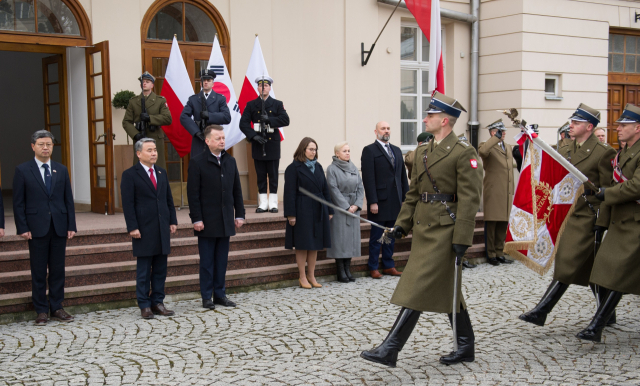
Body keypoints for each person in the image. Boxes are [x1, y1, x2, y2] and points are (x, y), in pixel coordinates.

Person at [361, 92, 481, 367]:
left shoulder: (464, 153)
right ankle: (466, 346)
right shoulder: (424, 152)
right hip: (424, 229)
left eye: (430, 115)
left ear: (445, 120)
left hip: (445, 230)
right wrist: (402, 224)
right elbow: (413, 193)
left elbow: (470, 199)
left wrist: (463, 238)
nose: (425, 119)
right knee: (449, 288)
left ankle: (390, 348)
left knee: (418, 285)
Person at [519, 103, 616, 329]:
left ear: (589, 127)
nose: (570, 126)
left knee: (567, 261)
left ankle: (542, 310)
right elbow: (546, 160)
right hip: (566, 215)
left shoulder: (603, 153)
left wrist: (602, 222)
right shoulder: (565, 147)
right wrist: (530, 138)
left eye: (576, 123)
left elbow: (608, 190)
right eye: (571, 122)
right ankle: (608, 313)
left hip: (587, 216)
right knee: (592, 269)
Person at [577, 103, 640, 343]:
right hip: (620, 221)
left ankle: (597, 325)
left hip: (635, 222)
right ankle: (602, 320)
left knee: (618, 273)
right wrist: (602, 219)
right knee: (606, 271)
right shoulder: (624, 152)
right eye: (619, 124)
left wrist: (607, 194)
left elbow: (636, 186)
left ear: (638, 128)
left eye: (624, 125)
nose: (619, 128)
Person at [13, 130, 77, 326]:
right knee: (39, 271)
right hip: (36, 228)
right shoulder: (23, 170)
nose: (45, 147)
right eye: (41, 144)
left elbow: (68, 200)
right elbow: (18, 202)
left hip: (58, 226)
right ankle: (41, 310)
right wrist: (22, 227)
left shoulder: (61, 169)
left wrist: (71, 225)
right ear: (33, 146)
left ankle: (57, 306)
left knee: (58, 270)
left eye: (48, 144)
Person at [187, 125, 245, 310]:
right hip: (207, 221)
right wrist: (196, 219)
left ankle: (220, 294)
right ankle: (206, 297)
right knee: (207, 262)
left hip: (225, 219)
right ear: (207, 141)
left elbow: (237, 189)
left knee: (221, 260)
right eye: (218, 138)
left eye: (223, 138)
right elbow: (193, 194)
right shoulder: (197, 162)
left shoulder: (230, 161)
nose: (222, 141)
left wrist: (240, 214)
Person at [121, 138, 178, 319]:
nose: (154, 153)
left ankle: (158, 302)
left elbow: (168, 198)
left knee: (160, 268)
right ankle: (144, 304)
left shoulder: (161, 172)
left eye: (155, 150)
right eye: (149, 150)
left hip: (161, 227)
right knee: (144, 270)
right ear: (139, 154)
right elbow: (128, 204)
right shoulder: (130, 174)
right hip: (143, 229)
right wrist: (132, 227)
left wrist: (172, 220)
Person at [284, 137, 334, 289]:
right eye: (311, 149)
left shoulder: (318, 167)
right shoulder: (293, 168)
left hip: (318, 209)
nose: (314, 152)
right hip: (302, 209)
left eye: (315, 149)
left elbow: (325, 189)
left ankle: (312, 275)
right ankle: (302, 276)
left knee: (315, 244)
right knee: (303, 244)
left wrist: (329, 209)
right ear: (303, 150)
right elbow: (289, 193)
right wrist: (291, 214)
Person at [361, 121, 409, 278]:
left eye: (388, 128)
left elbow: (402, 176)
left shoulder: (396, 150)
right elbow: (368, 178)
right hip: (379, 201)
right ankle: (373, 266)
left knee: (391, 234)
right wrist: (372, 201)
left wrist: (405, 198)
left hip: (395, 200)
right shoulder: (369, 150)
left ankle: (389, 265)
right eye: (383, 128)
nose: (386, 131)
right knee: (376, 236)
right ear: (376, 131)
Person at [239, 76, 290, 213]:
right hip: (258, 144)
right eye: (261, 86)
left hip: (272, 144)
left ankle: (273, 203)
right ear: (257, 88)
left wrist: (270, 119)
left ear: (270, 87)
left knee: (273, 175)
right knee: (260, 175)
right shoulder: (251, 105)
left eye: (266, 86)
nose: (263, 88)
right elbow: (243, 124)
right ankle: (262, 203)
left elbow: (286, 120)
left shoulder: (277, 104)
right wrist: (253, 136)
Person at [326, 141, 365, 283]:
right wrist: (346, 206)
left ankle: (348, 269)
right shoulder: (332, 169)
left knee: (351, 239)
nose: (348, 153)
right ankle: (340, 270)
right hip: (340, 208)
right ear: (337, 153)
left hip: (353, 208)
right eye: (344, 151)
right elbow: (333, 189)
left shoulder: (353, 167)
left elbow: (360, 187)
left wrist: (356, 205)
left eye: (349, 150)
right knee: (340, 239)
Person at [478, 119, 515, 266]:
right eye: (500, 130)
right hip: (494, 190)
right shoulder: (487, 145)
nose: (504, 133)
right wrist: (495, 138)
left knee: (503, 223)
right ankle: (491, 254)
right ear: (493, 132)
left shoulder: (508, 147)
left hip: (506, 191)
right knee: (492, 223)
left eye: (504, 130)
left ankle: (500, 252)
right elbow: (482, 152)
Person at [122, 71, 172, 170]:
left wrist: (150, 118)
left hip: (155, 137)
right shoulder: (133, 101)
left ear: (152, 85)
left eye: (147, 81)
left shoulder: (160, 100)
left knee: (157, 167)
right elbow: (126, 121)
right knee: (140, 168)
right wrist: (135, 134)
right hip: (140, 137)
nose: (144, 83)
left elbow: (168, 118)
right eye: (143, 81)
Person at [180, 69, 231, 157]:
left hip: (215, 137)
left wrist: (209, 115)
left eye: (209, 80)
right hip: (199, 137)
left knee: (215, 164)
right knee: (197, 164)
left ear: (213, 84)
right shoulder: (193, 99)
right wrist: (196, 132)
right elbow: (183, 117)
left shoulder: (220, 99)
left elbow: (226, 117)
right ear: (201, 83)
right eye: (204, 80)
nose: (206, 82)